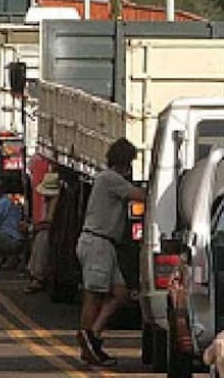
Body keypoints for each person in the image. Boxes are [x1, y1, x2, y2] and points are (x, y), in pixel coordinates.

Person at [75, 138, 145, 366]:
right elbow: (139, 195)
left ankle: (93, 334)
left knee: (121, 292)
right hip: (97, 242)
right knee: (93, 294)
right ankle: (87, 337)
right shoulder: (110, 179)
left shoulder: (110, 179)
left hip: (106, 244)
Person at [23, 172, 61, 294]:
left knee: (42, 238)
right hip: (49, 229)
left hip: (54, 232)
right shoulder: (48, 202)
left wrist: (33, 228)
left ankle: (38, 276)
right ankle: (34, 272)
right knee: (39, 236)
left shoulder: (57, 202)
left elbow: (51, 224)